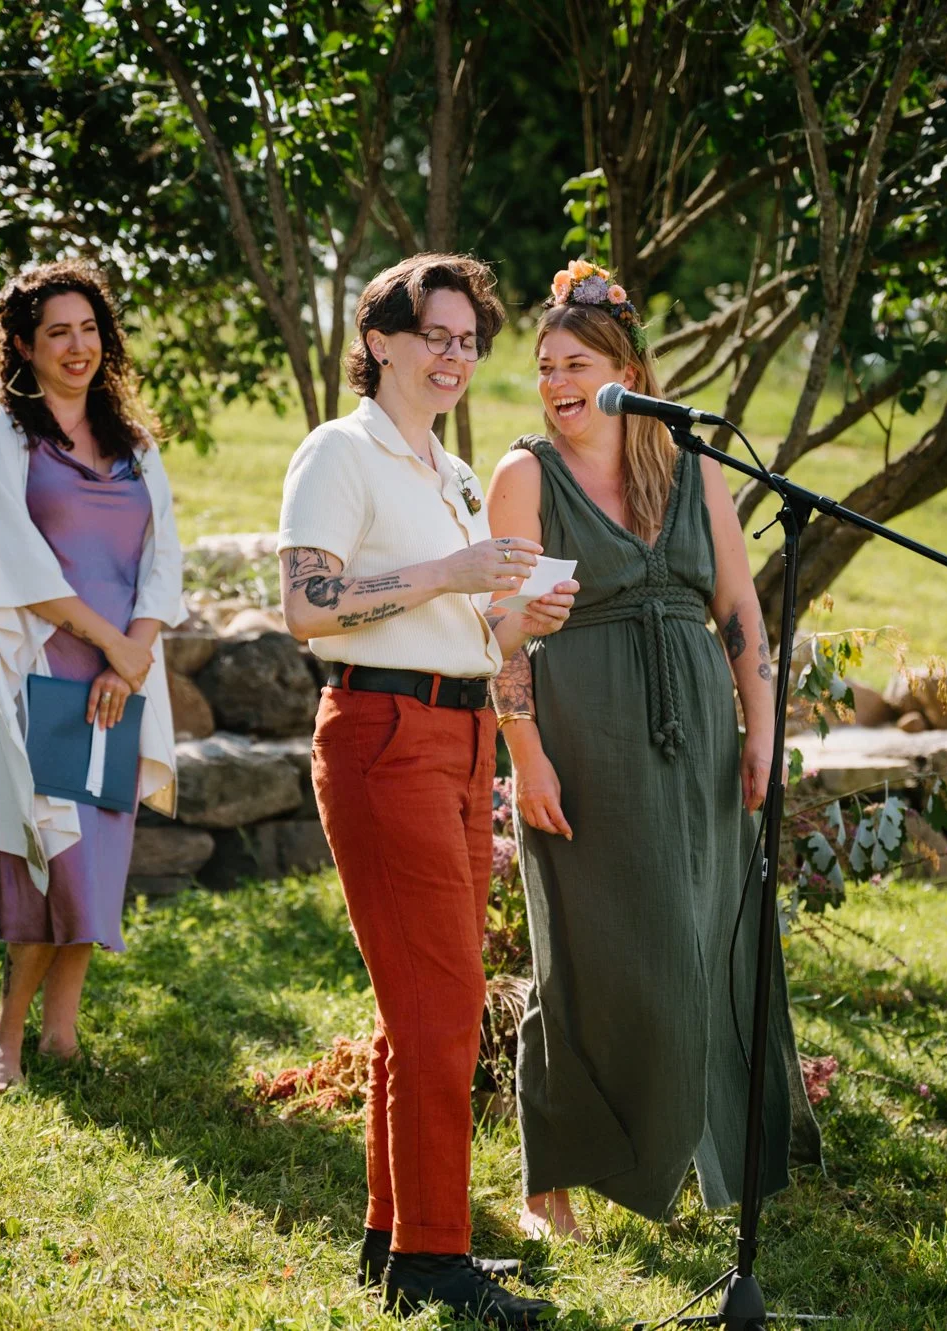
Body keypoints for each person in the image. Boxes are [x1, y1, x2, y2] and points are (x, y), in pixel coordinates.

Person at [487, 260, 819, 1242]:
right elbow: (502, 635)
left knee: (702, 941)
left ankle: (703, 1154)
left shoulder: (690, 466)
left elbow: (740, 609)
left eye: (575, 364)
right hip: (581, 739)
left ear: (625, 372)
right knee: (587, 953)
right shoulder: (524, 476)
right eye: (545, 366)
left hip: (699, 740)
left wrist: (762, 734)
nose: (555, 383)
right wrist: (526, 756)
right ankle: (549, 1182)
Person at [278, 253, 577, 1327]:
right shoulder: (340, 451)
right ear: (380, 343)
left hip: (461, 735)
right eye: (435, 336)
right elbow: (309, 606)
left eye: (468, 341)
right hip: (381, 732)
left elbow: (461, 627)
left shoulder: (449, 471)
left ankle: (393, 1237)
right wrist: (453, 573)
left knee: (419, 1004)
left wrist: (518, 618)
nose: (455, 356)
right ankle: (433, 1257)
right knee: (444, 1003)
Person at [0, 259, 185, 1093]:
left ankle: (61, 1034)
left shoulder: (135, 445)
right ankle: (6, 1038)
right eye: (57, 332)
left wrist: (132, 657)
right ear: (24, 344)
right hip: (40, 668)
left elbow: (164, 560)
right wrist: (112, 646)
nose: (77, 346)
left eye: (89, 329)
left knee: (100, 854)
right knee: (50, 851)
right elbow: (12, 563)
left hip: (120, 674)